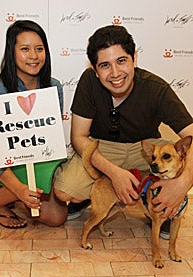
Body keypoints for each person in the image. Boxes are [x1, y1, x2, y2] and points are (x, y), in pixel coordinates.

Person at [53, 25, 193, 239]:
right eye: (105, 65)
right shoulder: (88, 82)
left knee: (179, 158)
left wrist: (181, 186)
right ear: (94, 69)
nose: (116, 73)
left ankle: (162, 207)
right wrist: (114, 173)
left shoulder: (156, 88)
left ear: (134, 59)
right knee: (64, 191)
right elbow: (78, 137)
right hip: (103, 147)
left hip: (145, 150)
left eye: (121, 61)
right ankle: (94, 197)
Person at [0, 20, 69, 228]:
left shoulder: (54, 87)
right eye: (25, 49)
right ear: (12, 52)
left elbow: (50, 137)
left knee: (56, 218)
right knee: (28, 194)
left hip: (41, 164)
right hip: (6, 165)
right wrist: (18, 188)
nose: (34, 56)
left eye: (39, 49)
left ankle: (21, 197)